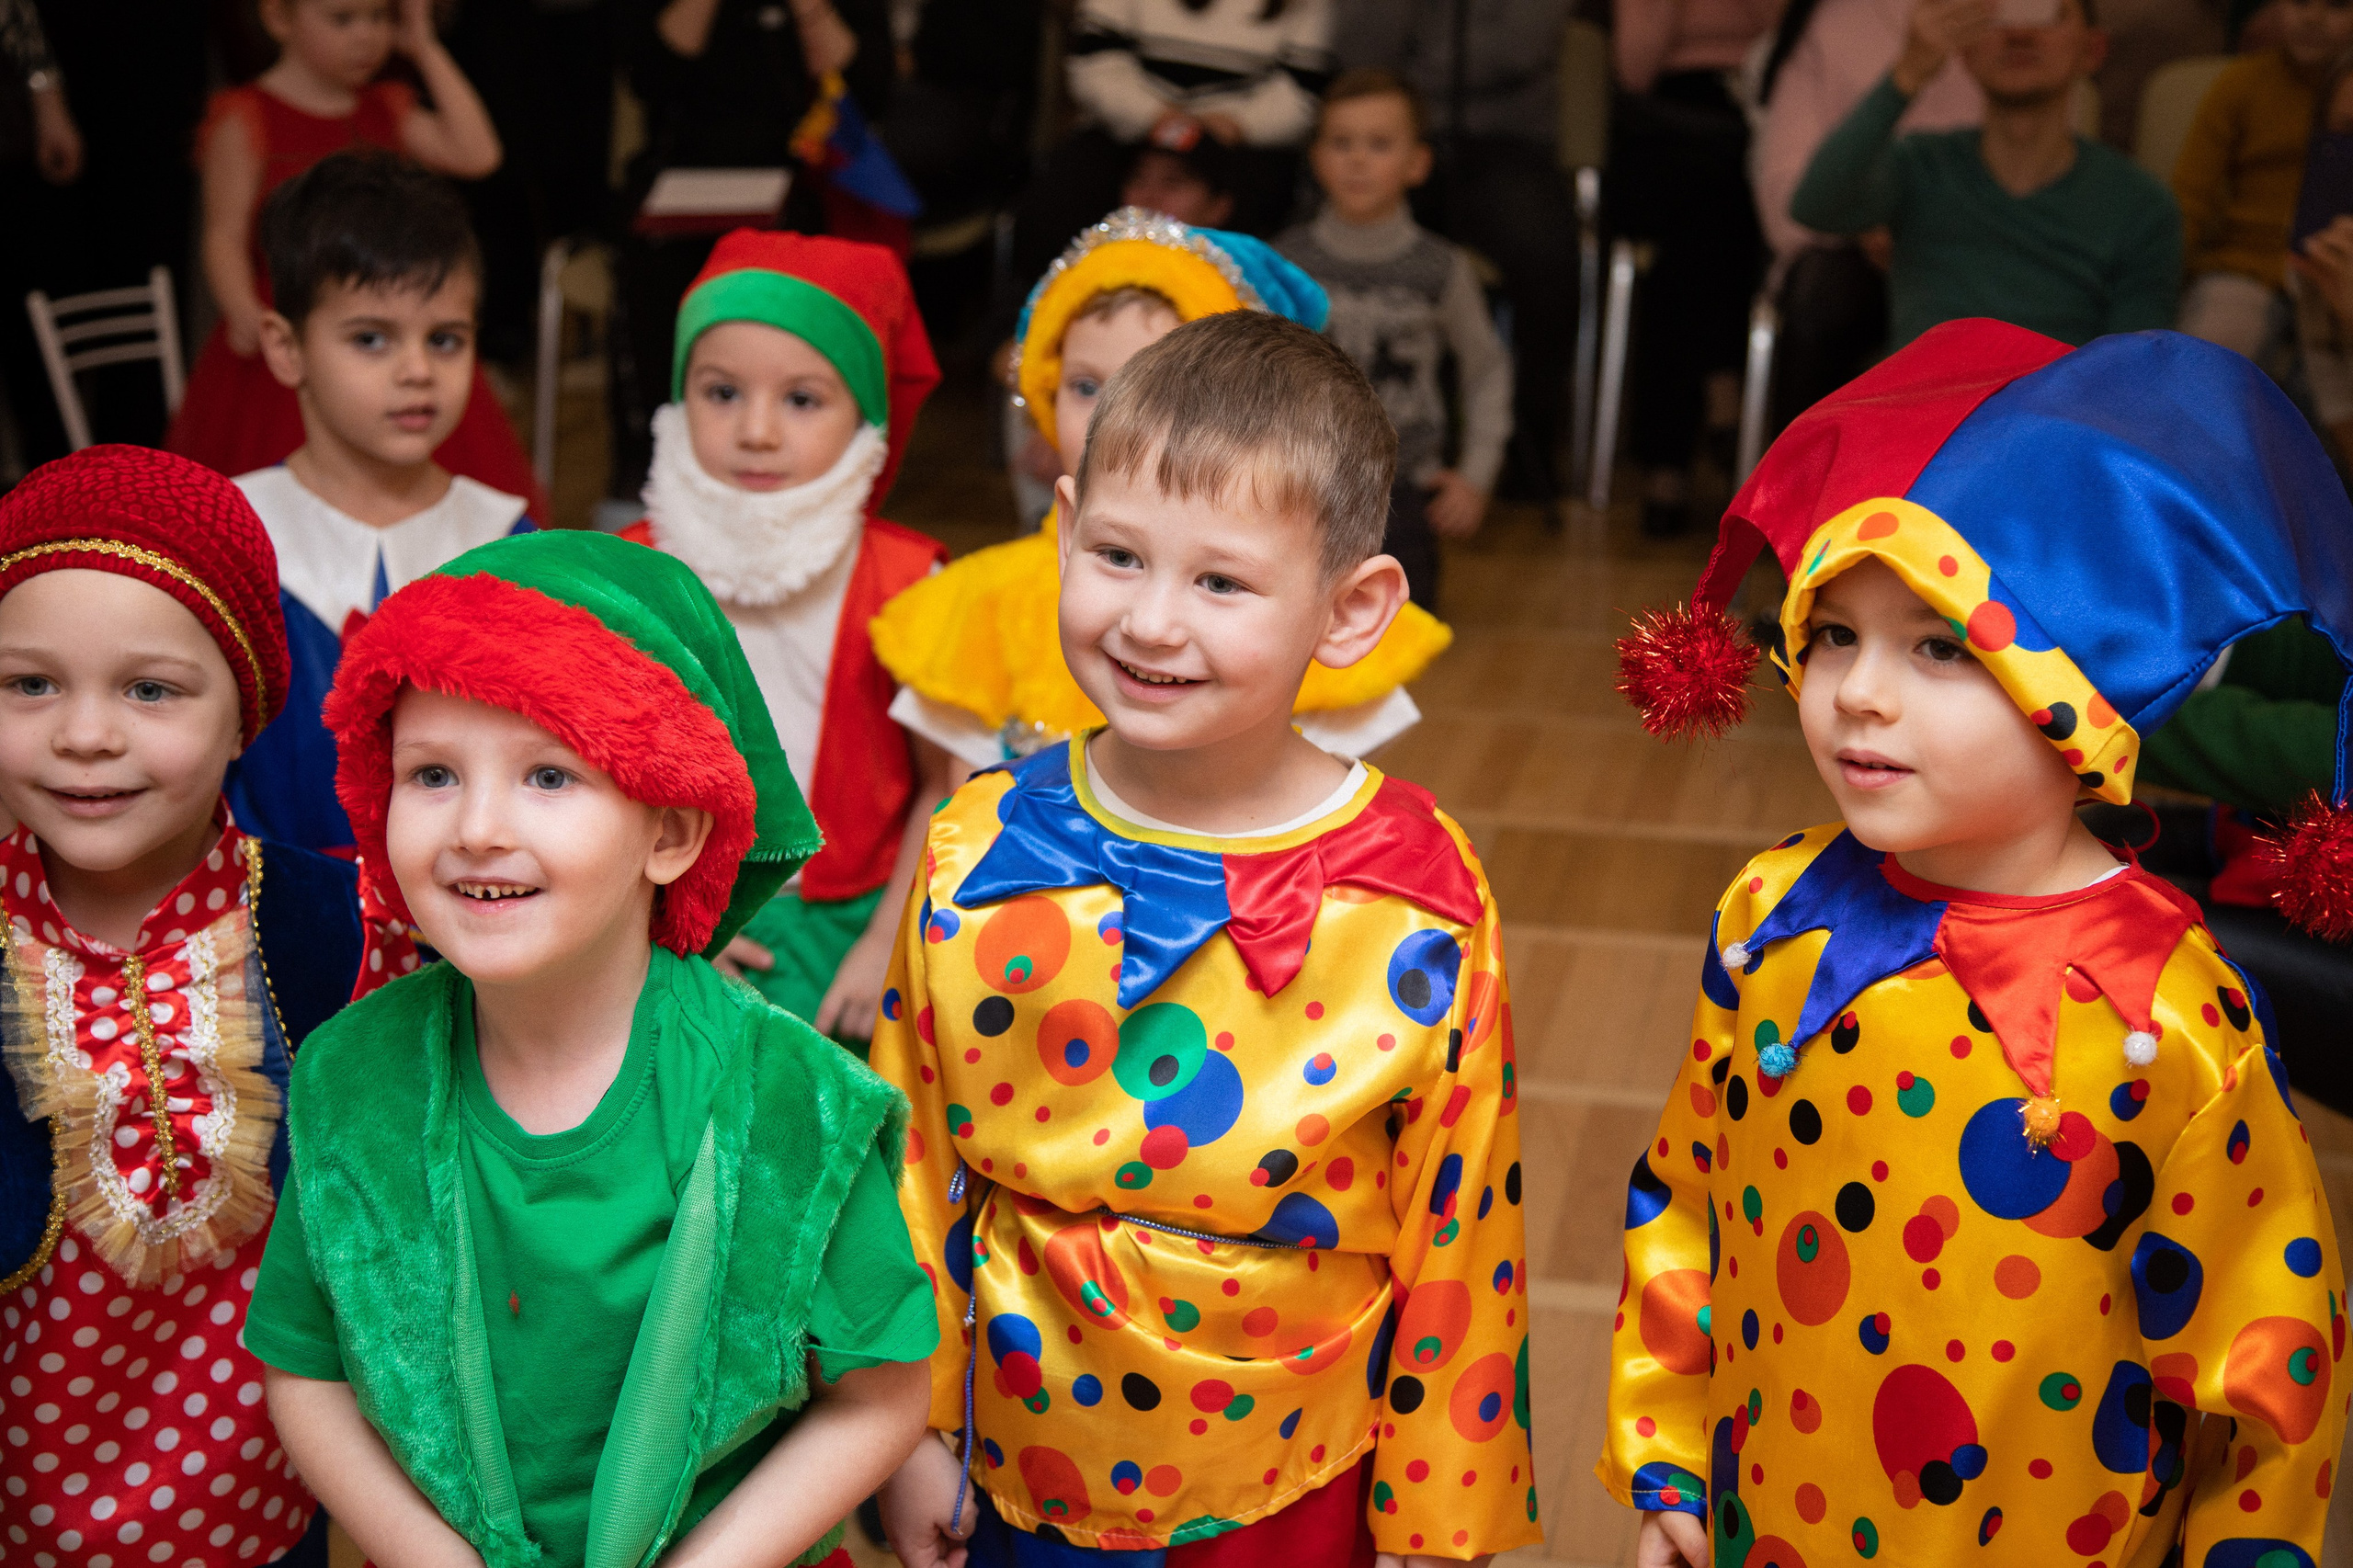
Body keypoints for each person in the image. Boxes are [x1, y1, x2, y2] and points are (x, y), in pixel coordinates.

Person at [1604, 317, 2353, 1564]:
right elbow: (1688, 1197)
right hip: (1769, 1521)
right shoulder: (1769, 916)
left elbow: (2265, 1360)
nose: (1858, 692)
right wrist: (1672, 1446)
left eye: (1941, 647)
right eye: (1833, 631)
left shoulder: (2168, 1021)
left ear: (2085, 706)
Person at [870, 309, 1539, 1565]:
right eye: (1117, 555)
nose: (1153, 622)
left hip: (1293, 1466)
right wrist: (900, 1432)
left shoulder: (1418, 893)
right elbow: (901, 1162)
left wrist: (1437, 1521)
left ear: (1353, 610)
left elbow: (1465, 1211)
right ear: (1062, 528)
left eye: (1220, 580)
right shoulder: (973, 847)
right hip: (1013, 1444)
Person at [246, 529, 938, 1568]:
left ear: (670, 831)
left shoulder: (788, 1103)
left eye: (550, 776)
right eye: (432, 772)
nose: (477, 826)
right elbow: (307, 1369)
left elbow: (880, 1396)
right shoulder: (353, 1077)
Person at [0, 445, 416, 1568]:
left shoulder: (341, 927)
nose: (86, 733)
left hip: (273, 1505)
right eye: (29, 683)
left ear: (245, 714)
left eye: (150, 688)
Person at [873, 207, 1453, 772]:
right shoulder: (980, 605)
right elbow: (942, 814)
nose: (1148, 627)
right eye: (1086, 386)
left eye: (1221, 582)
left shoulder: (1308, 617)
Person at [614, 229, 953, 1041]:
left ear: (863, 416)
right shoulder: (624, 573)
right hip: (661, 924)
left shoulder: (911, 581)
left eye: (802, 400)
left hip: (857, 936)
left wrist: (886, 943)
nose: (757, 431)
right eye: (722, 393)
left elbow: (948, 787)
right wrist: (654, 922)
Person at [222, 149, 533, 857]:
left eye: (445, 339)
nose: (418, 370)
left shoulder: (505, 541)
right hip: (266, 912)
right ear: (286, 347)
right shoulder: (238, 539)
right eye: (371, 338)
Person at [165, 0, 544, 517]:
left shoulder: (387, 107)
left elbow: (477, 154)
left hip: (396, 320)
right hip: (289, 328)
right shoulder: (249, 116)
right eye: (343, 19)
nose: (367, 37)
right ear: (280, 18)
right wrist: (241, 307)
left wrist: (424, 45)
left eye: (381, 18)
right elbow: (224, 236)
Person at [608, 0, 894, 502]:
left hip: (799, 179)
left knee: (811, 261)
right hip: (681, 181)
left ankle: (809, 466)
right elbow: (651, 75)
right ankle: (654, 465)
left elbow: (867, 88)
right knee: (653, 272)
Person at [1791, 0, 2181, 351]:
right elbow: (1817, 206)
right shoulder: (1922, 165)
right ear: (1965, 50)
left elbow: (2134, 367)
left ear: (2093, 49)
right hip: (1924, 410)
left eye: (2047, 12)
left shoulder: (2142, 205)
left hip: (2058, 418)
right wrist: (1909, 71)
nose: (2020, 33)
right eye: (1999, 15)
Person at [1278, 69, 1511, 611]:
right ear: (1316, 158)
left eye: (1379, 145)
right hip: (1301, 487)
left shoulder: (1441, 268)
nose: (1358, 160)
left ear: (1417, 164)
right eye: (1341, 143)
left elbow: (1486, 369)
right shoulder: (1286, 262)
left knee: (1396, 628)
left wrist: (1474, 476)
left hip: (1403, 491)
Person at [1334, 0, 1577, 506]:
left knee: (1547, 258)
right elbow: (1359, 46)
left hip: (1504, 140)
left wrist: (1417, 61)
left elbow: (1519, 47)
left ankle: (1517, 445)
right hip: (1386, 124)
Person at [1749, 0, 1982, 432]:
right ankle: (1810, 489)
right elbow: (1787, 201)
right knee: (1828, 295)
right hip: (1858, 257)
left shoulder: (2020, 26)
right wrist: (1865, 228)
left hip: (1983, 251)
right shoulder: (1832, 24)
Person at [1006, 0, 1335, 291]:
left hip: (1240, 136)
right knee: (1062, 191)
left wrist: (1236, 124)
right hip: (1131, 123)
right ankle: (1047, 310)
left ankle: (1238, 323)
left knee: (1263, 200)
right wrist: (1152, 115)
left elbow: (1303, 91)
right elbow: (1094, 64)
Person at [1610, 0, 1778, 536]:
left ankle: (1667, 466)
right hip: (1665, 119)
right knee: (1709, 203)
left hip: (1764, 104)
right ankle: (1725, 395)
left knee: (1690, 245)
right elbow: (1634, 69)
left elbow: (1793, 39)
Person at [2172, 0, 2353, 358]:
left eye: (2335, 5)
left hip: (2339, 273)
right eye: (2299, 2)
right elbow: (2188, 202)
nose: (2312, 17)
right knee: (2211, 355)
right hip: (2246, 272)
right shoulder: (2242, 83)